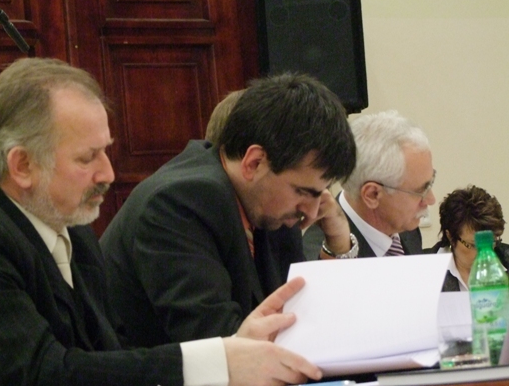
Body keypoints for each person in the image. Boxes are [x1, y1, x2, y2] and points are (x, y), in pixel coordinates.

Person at [0, 58, 323, 386]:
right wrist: (217, 361)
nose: (108, 173)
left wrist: (236, 346)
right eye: (88, 158)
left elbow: (109, 362)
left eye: (106, 150)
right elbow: (43, 377)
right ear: (22, 165)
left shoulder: (73, 233)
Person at [100, 73, 358, 348]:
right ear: (254, 163)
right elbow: (218, 342)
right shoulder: (179, 203)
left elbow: (304, 320)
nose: (313, 211)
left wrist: (338, 245)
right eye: (304, 192)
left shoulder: (269, 204)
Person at [303, 110, 434, 260]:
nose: (431, 199)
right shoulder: (323, 255)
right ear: (372, 195)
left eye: (430, 183)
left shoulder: (405, 228)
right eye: (420, 191)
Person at [425, 185, 508, 291]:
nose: (484, 252)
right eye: (474, 245)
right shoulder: (425, 269)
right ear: (450, 236)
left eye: (490, 242)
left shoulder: (505, 259)